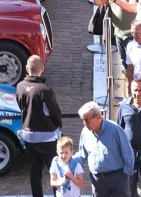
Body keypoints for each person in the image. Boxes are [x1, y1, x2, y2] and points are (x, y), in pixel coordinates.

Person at [17, 54, 64, 197]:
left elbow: (20, 105)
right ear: (42, 68)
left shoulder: (20, 86)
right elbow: (55, 112)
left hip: (28, 135)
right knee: (54, 169)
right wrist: (58, 125)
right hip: (47, 136)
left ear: (27, 68)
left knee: (35, 169)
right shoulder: (44, 90)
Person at [75, 101, 134, 197]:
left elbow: (127, 153)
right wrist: (67, 161)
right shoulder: (85, 132)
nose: (84, 123)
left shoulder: (115, 130)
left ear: (98, 117)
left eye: (87, 120)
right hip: (98, 181)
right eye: (83, 120)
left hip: (117, 178)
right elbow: (82, 155)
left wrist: (125, 174)